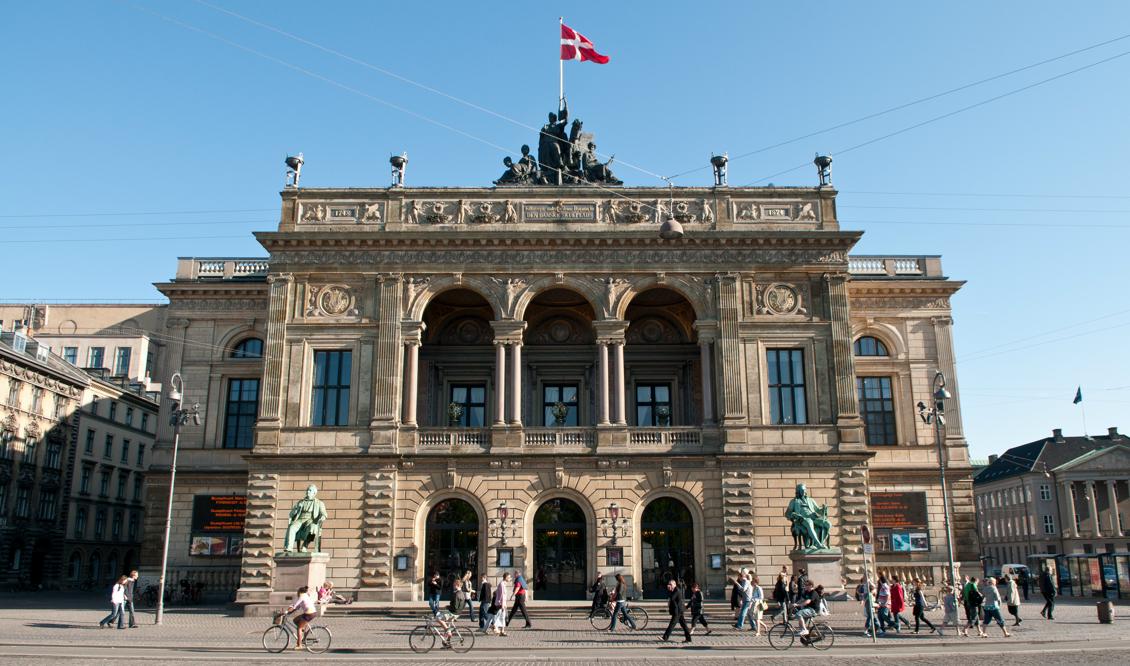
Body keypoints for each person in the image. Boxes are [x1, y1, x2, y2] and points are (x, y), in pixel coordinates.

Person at [286, 586, 319, 650]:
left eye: (297, 592)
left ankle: (299, 644)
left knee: (299, 628)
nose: (297, 593)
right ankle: (303, 633)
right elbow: (297, 607)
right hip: (311, 612)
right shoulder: (305, 596)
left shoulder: (302, 597)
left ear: (299, 592)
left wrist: (286, 612)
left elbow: (295, 606)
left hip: (309, 614)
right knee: (295, 620)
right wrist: (290, 612)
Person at [661, 579, 692, 643]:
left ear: (674, 585)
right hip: (678, 610)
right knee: (684, 625)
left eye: (670, 584)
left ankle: (665, 637)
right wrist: (670, 590)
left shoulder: (677, 590)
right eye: (668, 584)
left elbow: (672, 598)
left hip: (678, 611)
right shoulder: (673, 591)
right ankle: (688, 639)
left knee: (672, 625)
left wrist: (670, 590)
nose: (669, 585)